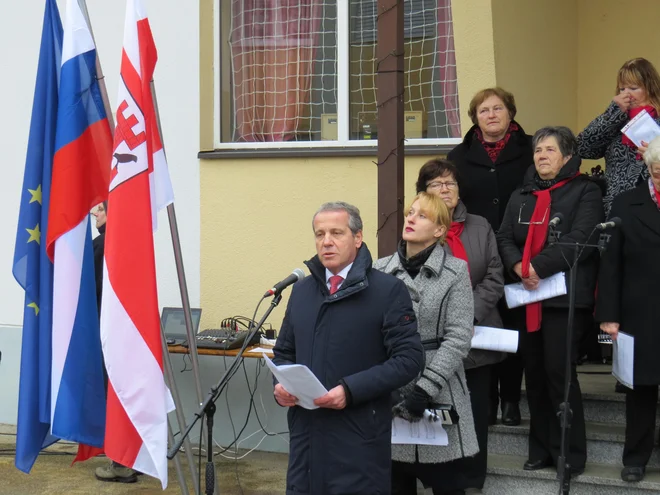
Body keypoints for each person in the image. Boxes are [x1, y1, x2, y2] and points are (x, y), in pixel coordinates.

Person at [272, 202, 424, 495]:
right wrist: (280, 386)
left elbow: (409, 359)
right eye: (319, 234)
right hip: (306, 439)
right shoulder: (301, 291)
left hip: (358, 440)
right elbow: (284, 352)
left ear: (357, 238)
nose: (326, 241)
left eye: (336, 233)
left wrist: (350, 390)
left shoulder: (387, 291)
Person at [497, 126, 604, 476]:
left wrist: (536, 267)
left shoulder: (585, 191)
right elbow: (504, 235)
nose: (541, 155)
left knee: (560, 373)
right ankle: (540, 449)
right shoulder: (521, 195)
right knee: (536, 374)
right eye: (538, 150)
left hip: (563, 298)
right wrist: (517, 265)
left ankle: (569, 453)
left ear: (568, 156)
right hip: (528, 297)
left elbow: (580, 238)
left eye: (549, 150)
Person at [374, 192, 477, 495]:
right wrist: (384, 383)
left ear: (439, 230)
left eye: (422, 216)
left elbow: (458, 337)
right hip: (391, 391)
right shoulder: (379, 270)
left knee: (448, 485)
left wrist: (424, 389)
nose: (410, 218)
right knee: (394, 484)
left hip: (439, 391)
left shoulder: (456, 272)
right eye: (410, 212)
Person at [416, 159, 505, 491]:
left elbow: (495, 276)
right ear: (424, 193)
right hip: (432, 341)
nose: (444, 189)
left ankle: (471, 479)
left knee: (475, 411)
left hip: (475, 336)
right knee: (438, 410)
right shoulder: (418, 227)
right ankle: (436, 476)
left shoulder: (480, 226)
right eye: (436, 184)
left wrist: (467, 314)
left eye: (450, 183)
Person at [447, 87, 533, 425]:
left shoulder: (530, 151)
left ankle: (511, 400)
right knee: (480, 324)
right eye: (484, 110)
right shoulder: (458, 156)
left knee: (513, 327)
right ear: (475, 118)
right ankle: (489, 401)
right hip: (476, 253)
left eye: (498, 108)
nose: (492, 115)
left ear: (511, 113)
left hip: (518, 252)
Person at [596, 135, 660, 483]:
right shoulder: (625, 203)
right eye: (657, 170)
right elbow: (611, 264)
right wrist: (609, 314)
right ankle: (635, 457)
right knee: (640, 389)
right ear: (648, 169)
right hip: (640, 309)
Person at [91, 202, 139, 484]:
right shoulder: (130, 242)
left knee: (116, 395)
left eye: (100, 209)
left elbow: (94, 290)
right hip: (130, 333)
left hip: (108, 332)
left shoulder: (101, 246)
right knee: (129, 394)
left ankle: (120, 463)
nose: (95, 214)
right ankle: (134, 458)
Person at [577, 57, 660, 216]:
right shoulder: (616, 121)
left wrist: (655, 155)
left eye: (633, 88)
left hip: (652, 209)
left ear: (650, 88)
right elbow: (583, 148)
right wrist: (612, 113)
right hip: (616, 208)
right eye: (622, 89)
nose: (627, 95)